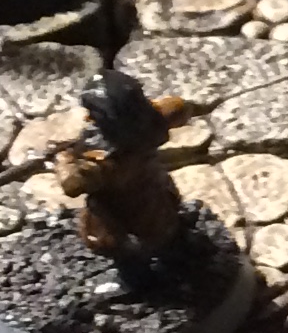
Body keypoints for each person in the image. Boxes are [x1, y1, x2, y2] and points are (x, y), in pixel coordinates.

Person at [52, 69, 191, 297]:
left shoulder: (104, 162)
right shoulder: (150, 125)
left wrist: (63, 159)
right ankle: (176, 254)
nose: (88, 118)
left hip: (121, 211)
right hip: (155, 192)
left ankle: (142, 284)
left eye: (92, 113)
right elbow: (178, 108)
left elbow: (73, 184)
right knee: (165, 228)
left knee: (125, 251)